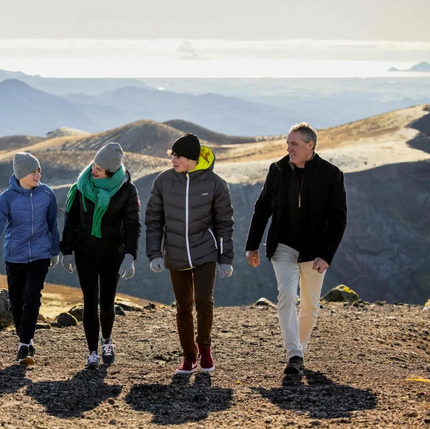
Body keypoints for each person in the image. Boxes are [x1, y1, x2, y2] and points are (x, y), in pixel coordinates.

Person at [245, 122, 347, 375]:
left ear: (310, 145)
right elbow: (262, 208)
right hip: (283, 247)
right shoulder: (277, 170)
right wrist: (252, 245)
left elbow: (338, 218)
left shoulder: (331, 174)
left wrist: (326, 255)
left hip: (315, 252)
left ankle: (298, 351)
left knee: (310, 305)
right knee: (287, 295)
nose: (288, 148)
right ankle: (294, 353)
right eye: (287, 143)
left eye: (294, 144)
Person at [145, 133, 234, 374]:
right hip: (174, 253)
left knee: (204, 301)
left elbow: (224, 223)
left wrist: (225, 258)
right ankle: (188, 355)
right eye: (172, 155)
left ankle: (205, 349)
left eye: (179, 156)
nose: (173, 159)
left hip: (205, 251)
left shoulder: (215, 183)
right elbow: (153, 219)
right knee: (183, 307)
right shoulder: (163, 181)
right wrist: (154, 253)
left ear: (192, 159)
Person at [60, 142, 141, 369]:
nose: (93, 170)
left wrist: (129, 256)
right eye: (93, 164)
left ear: (111, 173)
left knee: (106, 303)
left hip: (112, 254)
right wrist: (66, 250)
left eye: (99, 168)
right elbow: (70, 220)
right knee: (89, 301)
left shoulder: (127, 190)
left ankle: (107, 340)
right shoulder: (81, 186)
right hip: (84, 251)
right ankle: (92, 352)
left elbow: (133, 225)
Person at [0, 152, 60, 365]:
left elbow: (52, 224)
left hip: (40, 254)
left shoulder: (47, 194)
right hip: (15, 256)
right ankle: (24, 339)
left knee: (32, 296)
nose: (38, 175)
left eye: (39, 171)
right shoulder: (7, 198)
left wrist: (55, 251)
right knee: (16, 302)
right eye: (33, 171)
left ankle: (24, 344)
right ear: (21, 174)